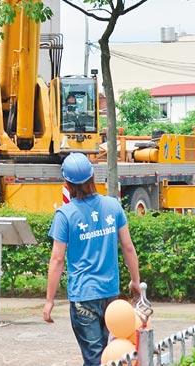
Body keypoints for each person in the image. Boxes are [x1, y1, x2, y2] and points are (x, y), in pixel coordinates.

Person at [43, 152, 141, 366]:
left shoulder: (65, 215)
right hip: (111, 295)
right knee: (111, 355)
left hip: (83, 297)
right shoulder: (113, 206)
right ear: (92, 176)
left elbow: (57, 260)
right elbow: (128, 247)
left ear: (67, 183)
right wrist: (135, 281)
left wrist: (49, 301)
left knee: (95, 359)